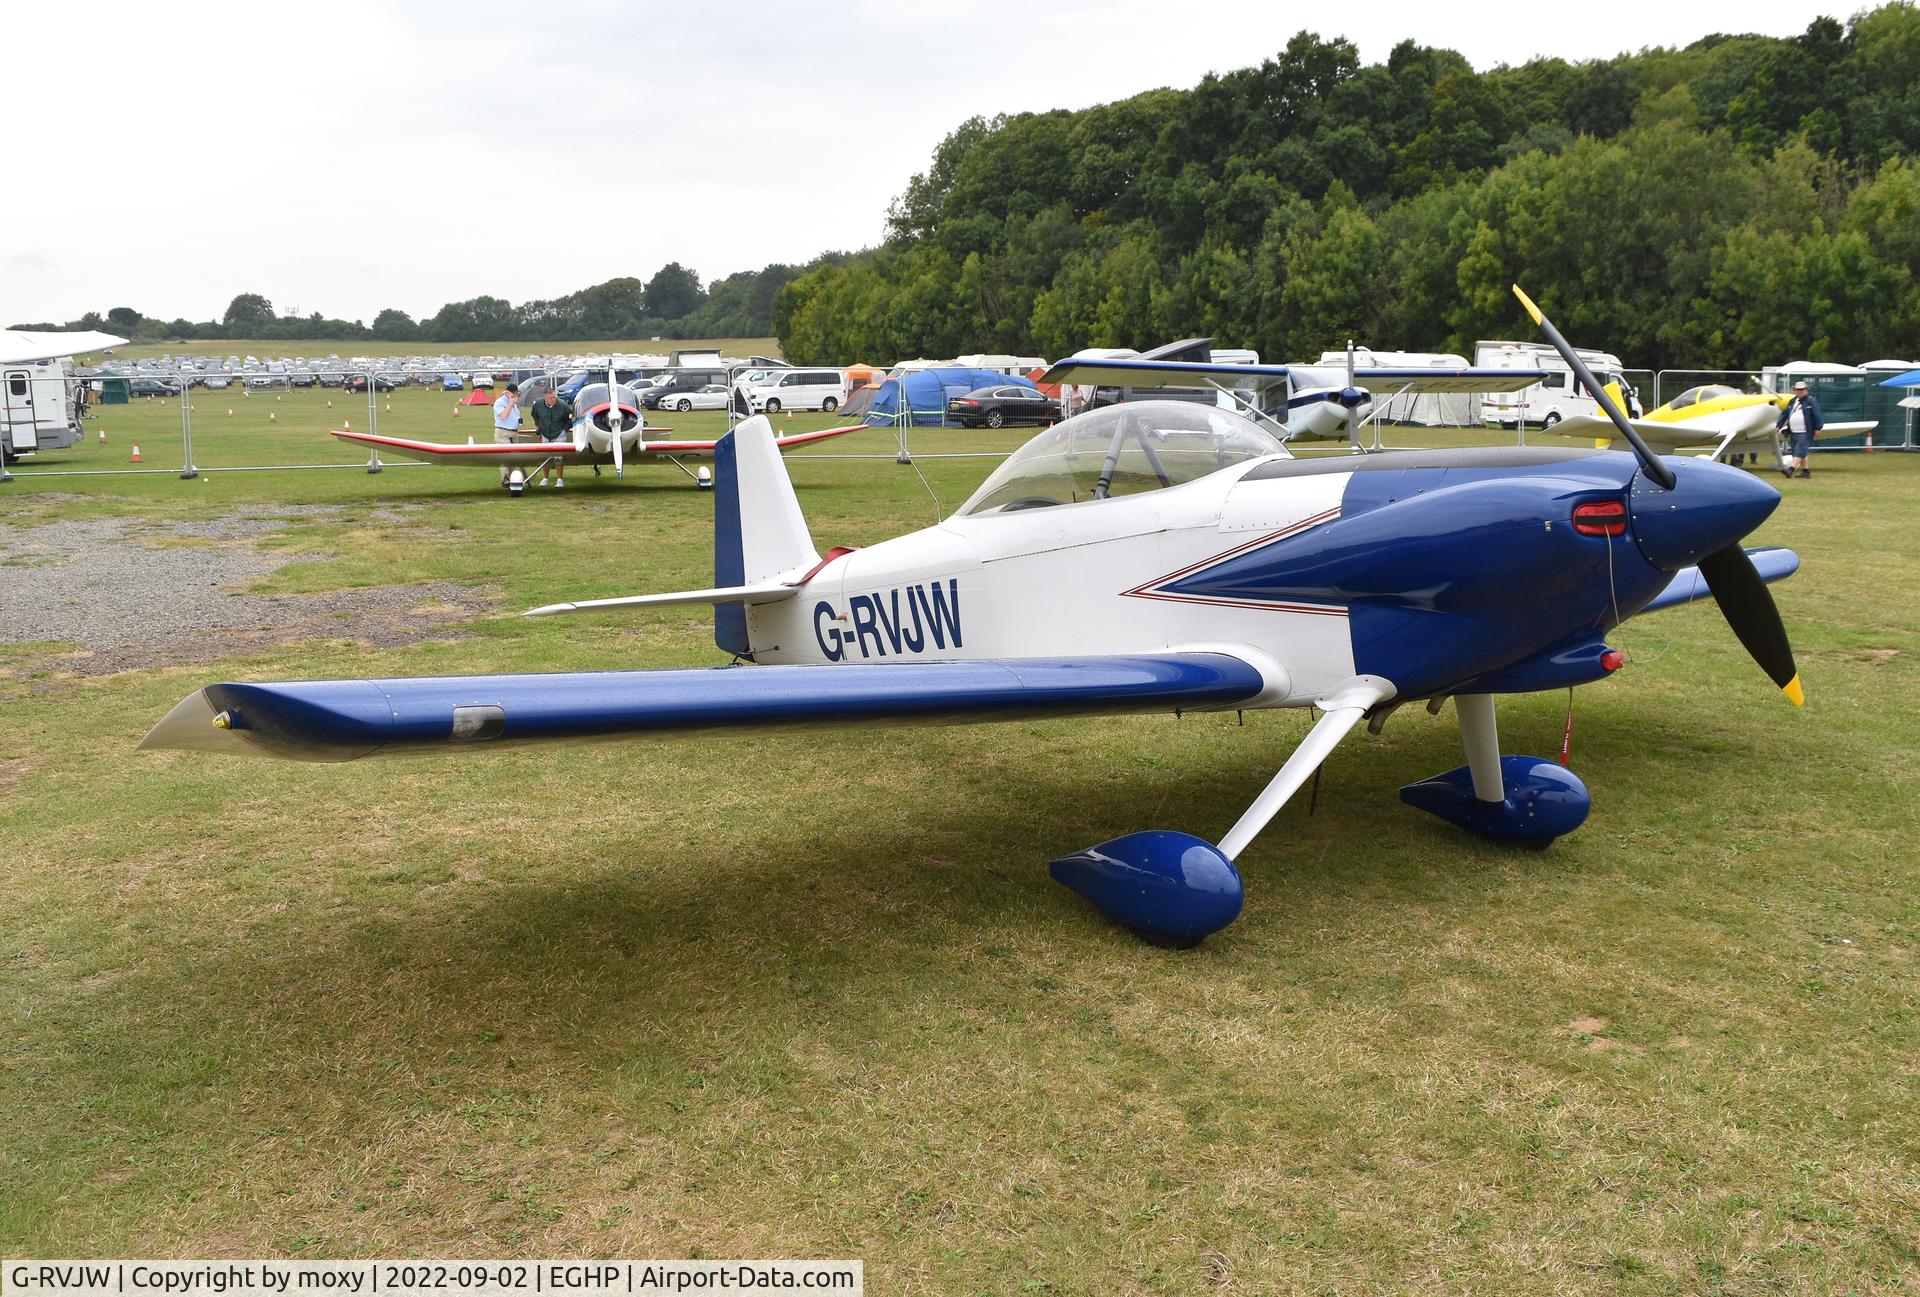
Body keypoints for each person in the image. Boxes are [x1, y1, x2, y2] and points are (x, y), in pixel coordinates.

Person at [1776, 380, 1823, 480]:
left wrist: (1818, 428)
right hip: (1794, 431)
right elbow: (1785, 414)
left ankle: (1790, 470)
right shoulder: (1793, 401)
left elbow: (1817, 415)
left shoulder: (1811, 401)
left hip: (1805, 431)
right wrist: (1778, 425)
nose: (1799, 391)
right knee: (1799, 452)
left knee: (1799, 451)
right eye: (1797, 390)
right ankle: (1806, 471)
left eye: (1802, 389)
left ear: (1806, 390)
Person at [529, 386, 574, 487]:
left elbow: (570, 418)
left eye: (554, 397)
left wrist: (564, 430)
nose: (553, 400)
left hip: (559, 433)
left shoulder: (563, 405)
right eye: (550, 398)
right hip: (545, 433)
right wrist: (539, 426)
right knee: (546, 457)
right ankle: (545, 478)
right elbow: (534, 415)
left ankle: (559, 479)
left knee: (558, 457)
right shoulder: (538, 405)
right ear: (545, 398)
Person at [492, 382, 523, 486]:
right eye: (514, 394)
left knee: (513, 457)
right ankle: (505, 480)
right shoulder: (499, 402)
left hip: (514, 432)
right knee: (505, 457)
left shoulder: (514, 404)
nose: (516, 396)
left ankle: (512, 478)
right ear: (509, 393)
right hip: (503, 432)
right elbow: (504, 416)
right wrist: (510, 403)